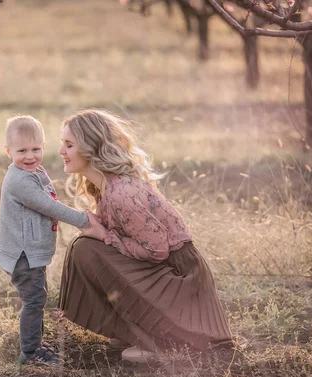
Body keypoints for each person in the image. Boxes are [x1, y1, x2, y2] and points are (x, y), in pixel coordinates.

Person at [56, 109, 234, 363]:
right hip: (164, 271)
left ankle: (159, 342)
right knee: (84, 247)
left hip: (181, 278)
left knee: (87, 249)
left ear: (91, 148)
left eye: (69, 145)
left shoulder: (121, 193)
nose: (61, 151)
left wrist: (105, 235)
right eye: (62, 144)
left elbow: (157, 250)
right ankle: (134, 331)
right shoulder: (104, 188)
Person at [0, 115, 90, 366]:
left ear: (43, 147)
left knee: (36, 296)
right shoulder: (19, 180)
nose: (30, 156)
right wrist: (84, 220)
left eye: (36, 149)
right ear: (8, 151)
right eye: (21, 150)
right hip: (21, 254)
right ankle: (30, 352)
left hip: (29, 251)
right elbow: (49, 206)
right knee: (35, 299)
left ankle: (34, 341)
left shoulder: (34, 171)